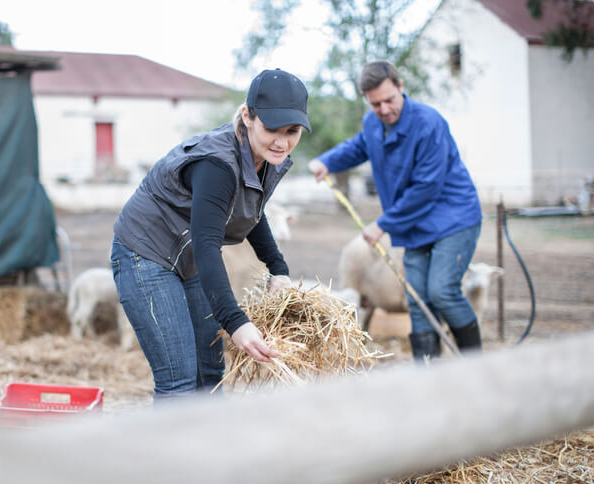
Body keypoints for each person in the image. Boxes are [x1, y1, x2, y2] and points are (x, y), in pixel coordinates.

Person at [111, 68, 310, 399]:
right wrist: (236, 322)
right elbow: (207, 245)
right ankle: (175, 451)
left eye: (292, 131)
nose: (282, 141)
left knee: (211, 372)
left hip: (187, 254)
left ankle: (208, 449)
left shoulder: (266, 157)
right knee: (179, 381)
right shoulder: (217, 164)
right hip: (146, 253)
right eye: (272, 128)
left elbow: (250, 213)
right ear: (247, 116)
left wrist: (278, 268)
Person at [308, 60, 483, 362]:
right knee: (417, 297)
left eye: (389, 100)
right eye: (376, 104)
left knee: (442, 291)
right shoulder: (373, 124)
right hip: (414, 226)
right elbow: (358, 147)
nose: (384, 109)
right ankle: (427, 370)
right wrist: (327, 161)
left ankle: (475, 363)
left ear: (401, 87)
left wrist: (383, 224)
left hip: (453, 218)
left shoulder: (429, 123)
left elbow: (427, 187)